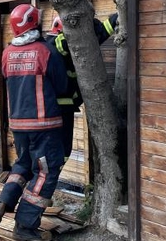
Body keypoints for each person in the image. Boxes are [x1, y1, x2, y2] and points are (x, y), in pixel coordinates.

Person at [0, 4, 68, 241]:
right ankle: (25, 225)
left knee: (22, 165)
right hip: (44, 126)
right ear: (34, 23)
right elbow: (62, 86)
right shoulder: (45, 52)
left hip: (18, 125)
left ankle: (4, 202)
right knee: (45, 172)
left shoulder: (7, 53)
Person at [45, 11, 118, 163]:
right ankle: (49, 172)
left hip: (64, 107)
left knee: (64, 149)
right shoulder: (54, 44)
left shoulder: (75, 45)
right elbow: (66, 43)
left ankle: (52, 170)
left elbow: (101, 33)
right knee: (58, 149)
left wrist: (117, 18)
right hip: (57, 108)